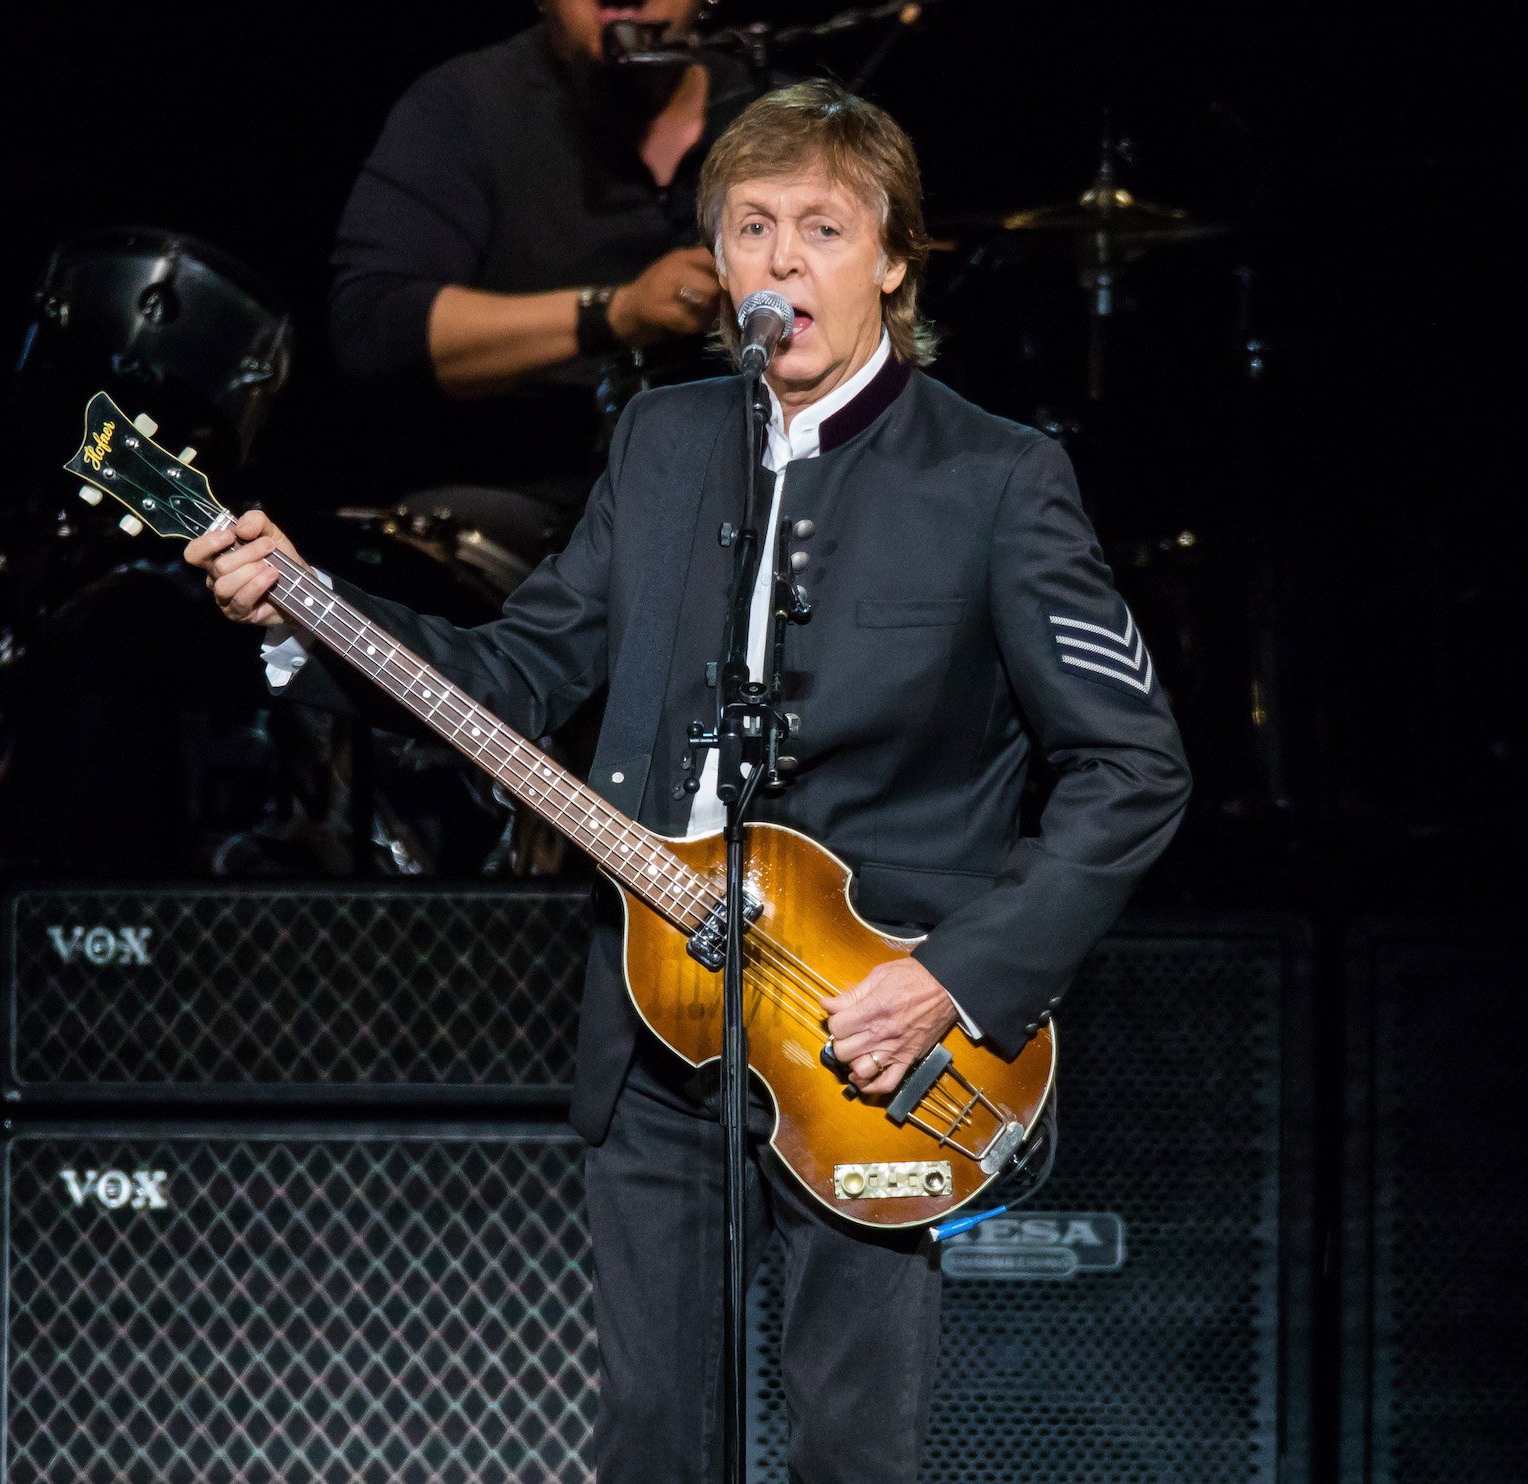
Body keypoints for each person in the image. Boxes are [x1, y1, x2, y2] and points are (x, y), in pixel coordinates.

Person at [195, 81, 1191, 1483]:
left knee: (852, 1449)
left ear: (894, 260)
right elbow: (519, 676)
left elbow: (1131, 768)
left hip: (873, 1040)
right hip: (659, 1027)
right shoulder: (664, 445)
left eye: (823, 230)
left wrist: (956, 978)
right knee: (654, 1443)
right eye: (750, 227)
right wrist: (309, 608)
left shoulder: (995, 477)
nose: (780, 263)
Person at [329, 0, 767, 510]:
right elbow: (372, 327)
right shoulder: (466, 103)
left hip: (737, 500)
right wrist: (617, 311)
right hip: (509, 501)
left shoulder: (778, 112)